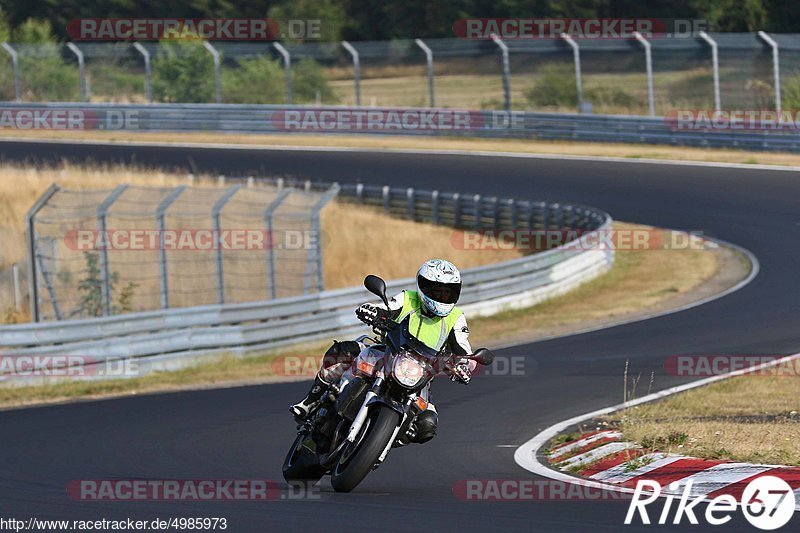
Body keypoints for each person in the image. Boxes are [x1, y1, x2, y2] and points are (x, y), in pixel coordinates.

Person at [290, 259, 474, 444]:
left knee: (427, 425)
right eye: (438, 291)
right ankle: (310, 401)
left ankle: (384, 440)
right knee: (342, 352)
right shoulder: (408, 298)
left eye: (448, 292)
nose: (442, 296)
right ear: (424, 286)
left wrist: (464, 365)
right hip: (387, 354)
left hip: (419, 377)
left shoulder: (456, 318)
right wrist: (371, 311)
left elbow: (463, 349)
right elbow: (387, 308)